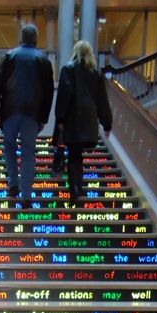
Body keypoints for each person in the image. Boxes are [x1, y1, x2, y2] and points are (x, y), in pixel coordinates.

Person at [0, 24, 54, 208]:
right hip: (32, 114)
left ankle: (13, 185)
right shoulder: (43, 60)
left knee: (9, 148)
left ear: (21, 38)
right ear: (36, 40)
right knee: (28, 153)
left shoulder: (9, 56)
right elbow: (48, 92)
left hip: (9, 111)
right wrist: (43, 117)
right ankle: (26, 195)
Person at [53, 40, 112, 207]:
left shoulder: (69, 69)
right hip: (89, 122)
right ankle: (80, 187)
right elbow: (102, 100)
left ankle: (74, 191)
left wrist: (60, 119)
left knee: (73, 155)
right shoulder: (95, 73)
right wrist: (106, 123)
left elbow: (64, 95)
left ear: (76, 52)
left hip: (73, 120)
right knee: (78, 155)